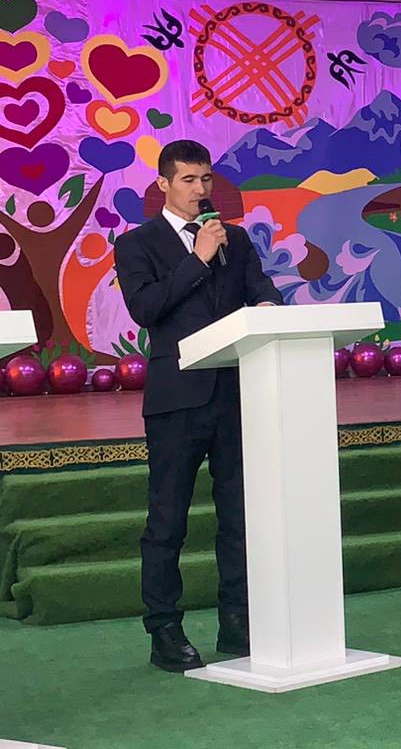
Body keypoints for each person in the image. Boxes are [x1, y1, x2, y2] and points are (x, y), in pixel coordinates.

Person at [114, 139, 284, 672]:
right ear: (163, 184)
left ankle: (238, 620)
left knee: (239, 517)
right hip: (177, 400)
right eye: (188, 180)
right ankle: (164, 629)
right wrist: (197, 259)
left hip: (235, 395)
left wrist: (267, 304)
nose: (200, 189)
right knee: (168, 521)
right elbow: (146, 308)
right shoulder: (137, 243)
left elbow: (263, 290)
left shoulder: (235, 238)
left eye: (206, 179)